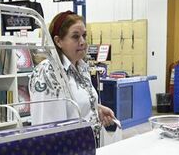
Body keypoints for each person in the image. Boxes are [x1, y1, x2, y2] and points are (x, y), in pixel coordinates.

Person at [29, 10, 115, 140]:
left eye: (84, 36)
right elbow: (47, 129)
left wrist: (96, 109)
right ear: (58, 41)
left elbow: (74, 105)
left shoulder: (81, 67)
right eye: (75, 36)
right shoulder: (47, 74)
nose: (82, 42)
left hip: (88, 149)